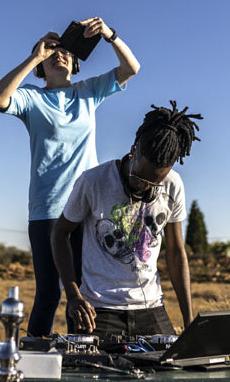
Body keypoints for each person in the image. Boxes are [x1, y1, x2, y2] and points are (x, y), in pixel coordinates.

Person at [0, 17, 140, 336]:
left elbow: (132, 68)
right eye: (52, 51)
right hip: (47, 210)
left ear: (75, 61)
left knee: (85, 294)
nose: (60, 54)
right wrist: (33, 58)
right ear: (43, 63)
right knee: (49, 294)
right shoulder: (31, 97)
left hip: (88, 210)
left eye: (66, 51)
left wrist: (110, 35)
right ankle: (31, 360)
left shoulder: (89, 91)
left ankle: (80, 361)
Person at [52, 101, 201, 336]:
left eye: (154, 183)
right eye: (139, 177)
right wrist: (73, 295)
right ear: (134, 150)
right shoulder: (93, 181)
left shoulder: (173, 185)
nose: (144, 187)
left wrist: (189, 319)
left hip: (151, 308)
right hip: (100, 309)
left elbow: (175, 252)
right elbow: (60, 233)